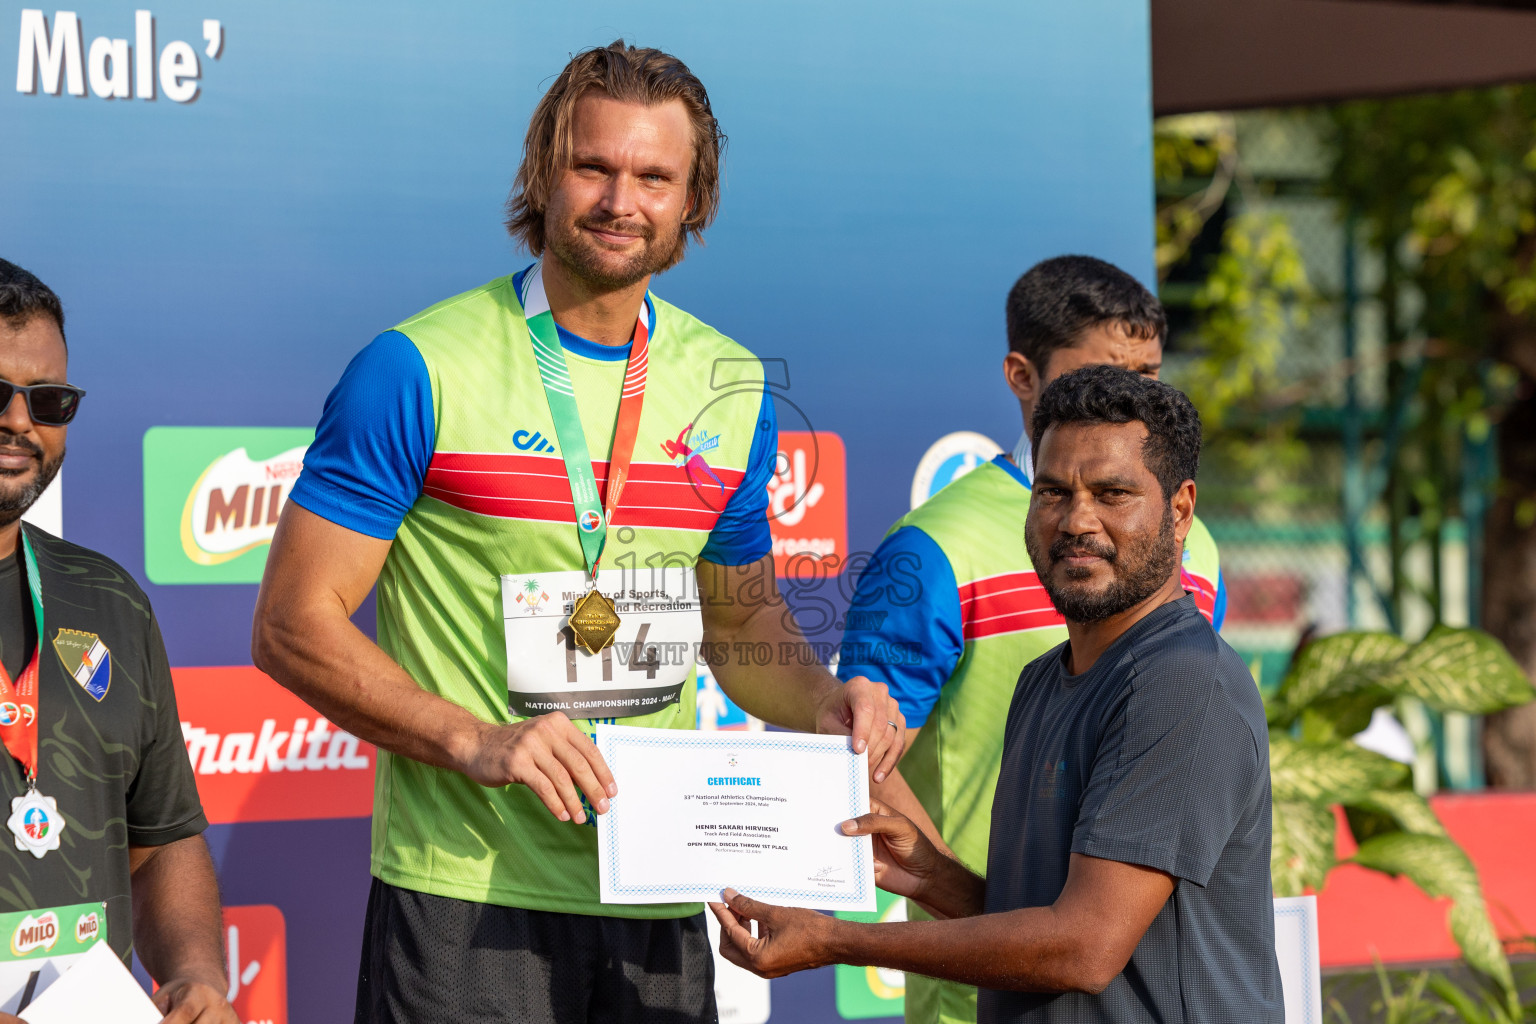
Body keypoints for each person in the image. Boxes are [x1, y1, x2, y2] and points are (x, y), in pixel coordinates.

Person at [250, 41, 903, 1024]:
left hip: (656, 888)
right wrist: (474, 738)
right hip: (462, 893)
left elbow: (738, 626)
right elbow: (294, 622)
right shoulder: (414, 365)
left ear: (695, 200)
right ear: (542, 171)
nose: (619, 199)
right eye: (592, 166)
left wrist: (823, 707)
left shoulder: (731, 387)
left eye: (654, 176)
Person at [711, 366, 1281, 1023]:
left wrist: (840, 941)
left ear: (1180, 511)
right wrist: (934, 877)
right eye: (1053, 491)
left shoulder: (1180, 681)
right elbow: (1041, 924)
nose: (1076, 520)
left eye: (1112, 493)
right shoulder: (1045, 678)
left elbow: (1084, 950)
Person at [837, 255, 1226, 1024]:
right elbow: (858, 751)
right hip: (980, 989)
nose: (1134, 398)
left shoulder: (1196, 543)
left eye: (1151, 374)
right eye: (1111, 372)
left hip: (1148, 988)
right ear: (1022, 375)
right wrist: (953, 890)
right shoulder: (933, 548)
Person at [0, 260, 234, 1023]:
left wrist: (196, 975)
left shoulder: (107, 601)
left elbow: (163, 838)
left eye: (49, 400)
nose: (18, 421)